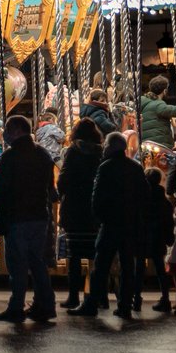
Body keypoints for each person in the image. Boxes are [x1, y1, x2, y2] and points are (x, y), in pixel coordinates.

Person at [70, 132, 149, 320]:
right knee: (127, 266)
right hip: (129, 223)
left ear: (111, 147)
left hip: (111, 223)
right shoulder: (135, 167)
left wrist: (100, 218)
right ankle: (125, 305)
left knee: (101, 266)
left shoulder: (106, 167)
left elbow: (97, 197)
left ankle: (92, 303)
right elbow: (145, 194)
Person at [0, 114, 57, 324]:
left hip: (17, 216)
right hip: (39, 216)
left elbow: (0, 189)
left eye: (8, 130)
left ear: (17, 131)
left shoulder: (10, 156)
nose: (6, 135)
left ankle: (16, 306)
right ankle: (45, 305)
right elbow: (50, 187)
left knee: (17, 264)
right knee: (37, 262)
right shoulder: (43, 154)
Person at [57, 117, 103, 309]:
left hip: (74, 207)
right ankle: (96, 295)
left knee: (74, 255)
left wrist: (63, 193)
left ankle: (73, 295)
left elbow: (64, 178)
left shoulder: (73, 151)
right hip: (94, 208)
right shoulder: (100, 153)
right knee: (95, 254)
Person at [133, 167, 174, 312]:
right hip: (158, 238)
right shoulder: (164, 202)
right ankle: (165, 298)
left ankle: (136, 298)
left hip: (141, 238)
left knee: (138, 269)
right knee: (160, 269)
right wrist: (169, 238)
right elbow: (169, 222)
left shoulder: (140, 200)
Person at [140, 75, 176, 150]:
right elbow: (172, 110)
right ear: (165, 90)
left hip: (146, 143)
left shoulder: (145, 101)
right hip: (159, 144)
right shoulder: (158, 104)